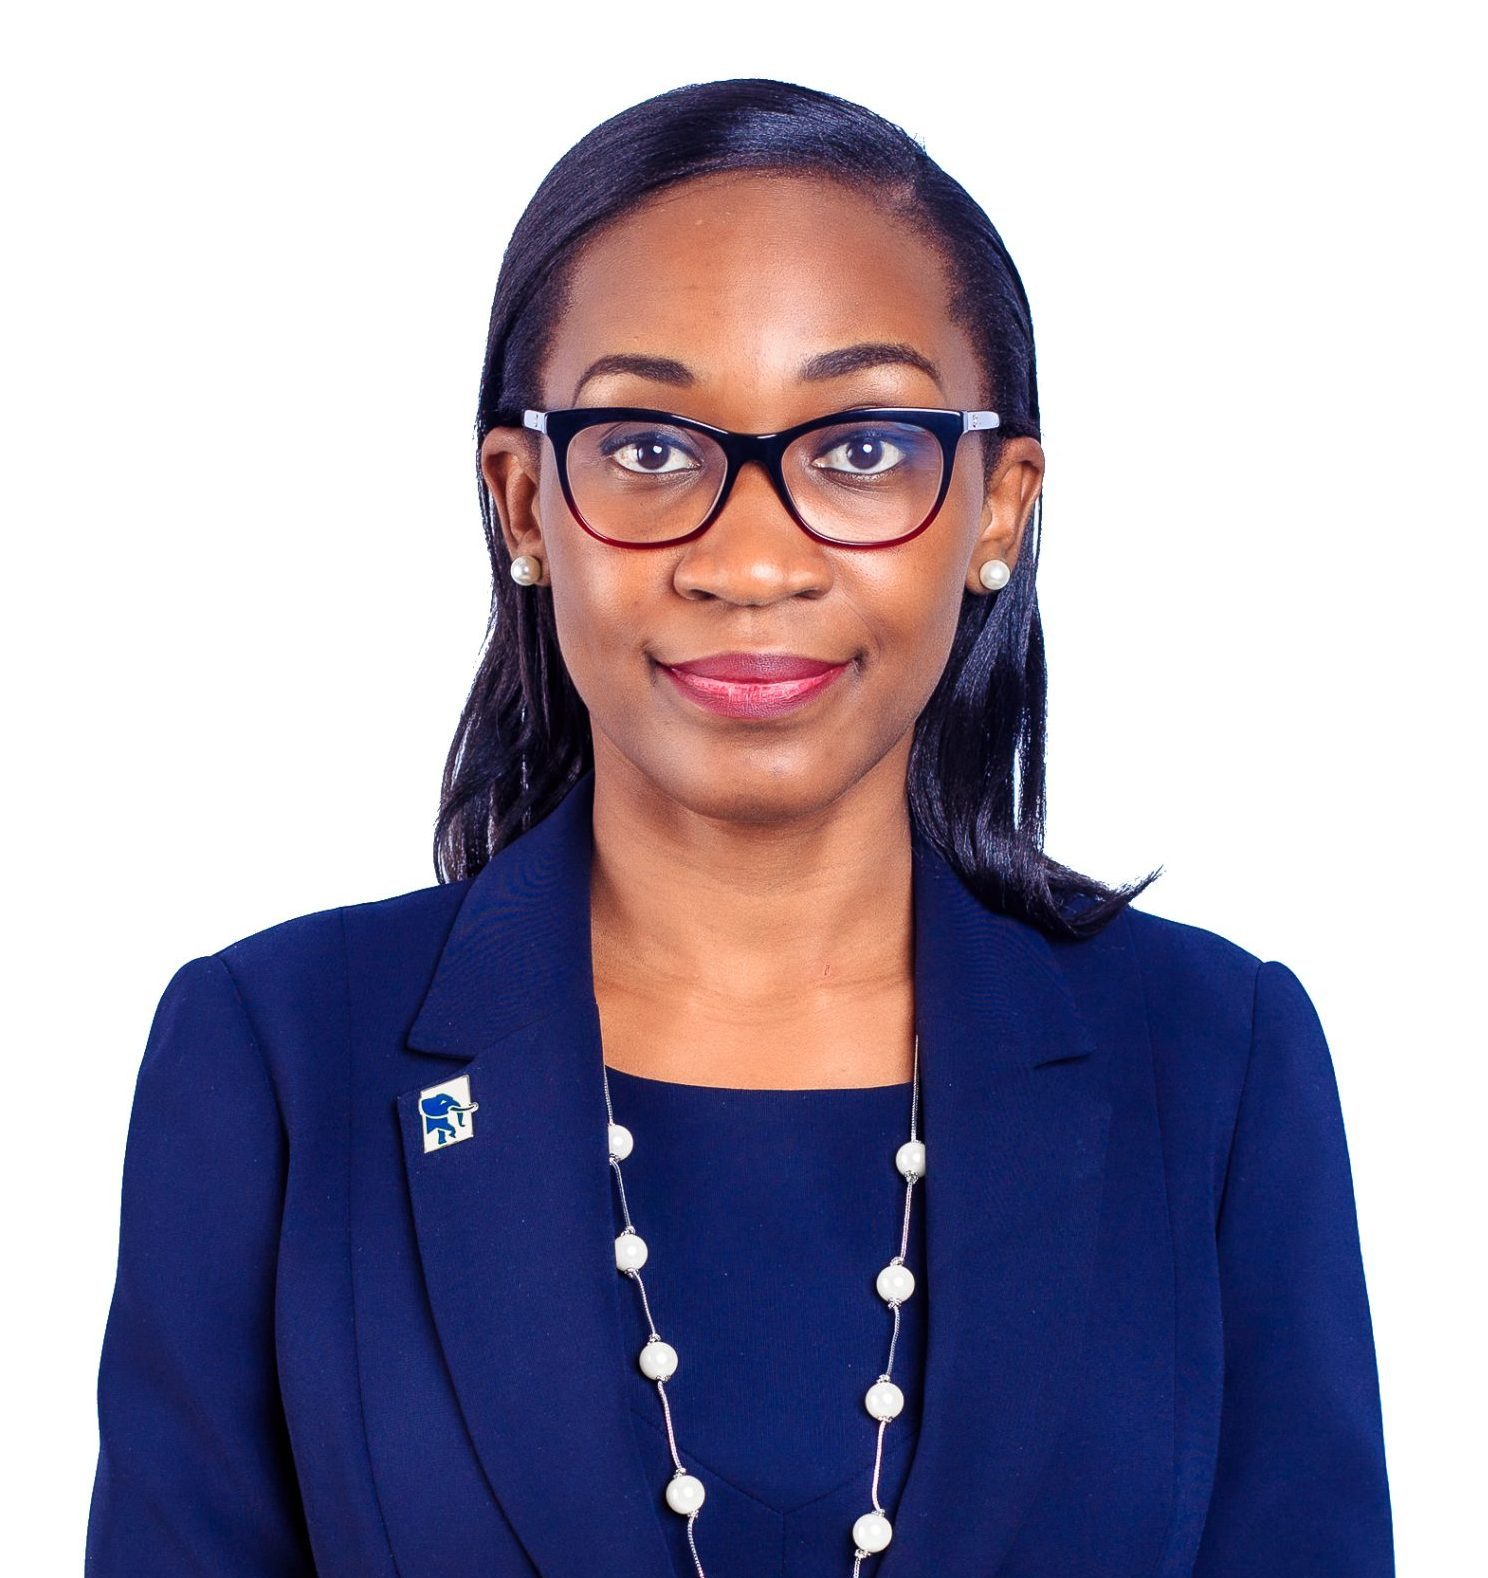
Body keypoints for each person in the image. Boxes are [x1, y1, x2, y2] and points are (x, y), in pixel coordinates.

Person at [84, 77, 1394, 1578]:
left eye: (862, 448)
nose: (752, 559)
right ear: (523, 501)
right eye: (649, 448)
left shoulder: (1217, 1063)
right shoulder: (274, 1057)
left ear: (997, 505)